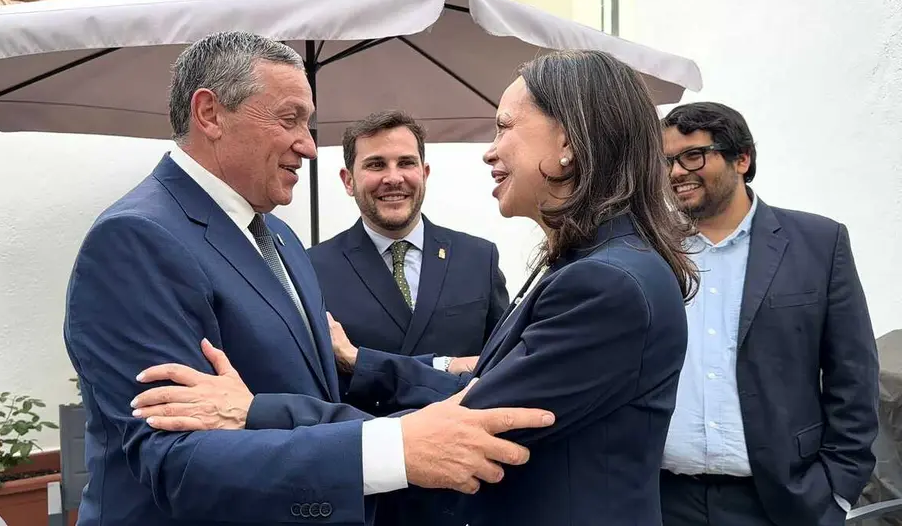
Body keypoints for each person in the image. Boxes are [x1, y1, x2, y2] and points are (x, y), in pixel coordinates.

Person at [132, 49, 699, 526]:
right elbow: (481, 389)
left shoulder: (606, 282)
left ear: (570, 140)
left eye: (504, 126)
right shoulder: (593, 265)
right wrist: (363, 364)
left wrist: (255, 410)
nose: (489, 149)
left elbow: (466, 423)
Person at [62, 31, 556, 526]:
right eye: (289, 118)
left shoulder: (277, 236)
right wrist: (394, 450)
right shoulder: (134, 239)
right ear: (210, 114)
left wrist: (444, 381)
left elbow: (322, 391)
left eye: (309, 123)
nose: (309, 146)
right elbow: (174, 461)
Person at [657, 101, 879, 526]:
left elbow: (853, 375)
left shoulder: (818, 243)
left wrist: (836, 492)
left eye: (693, 156)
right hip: (663, 500)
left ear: (742, 158)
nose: (676, 173)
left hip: (782, 502)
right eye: (667, 162)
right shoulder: (650, 250)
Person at [308, 109, 509, 413]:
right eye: (376, 165)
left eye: (406, 163)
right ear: (348, 181)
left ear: (424, 174)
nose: (393, 178)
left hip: (467, 443)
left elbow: (503, 363)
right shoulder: (311, 269)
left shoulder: (479, 258)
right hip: (367, 447)